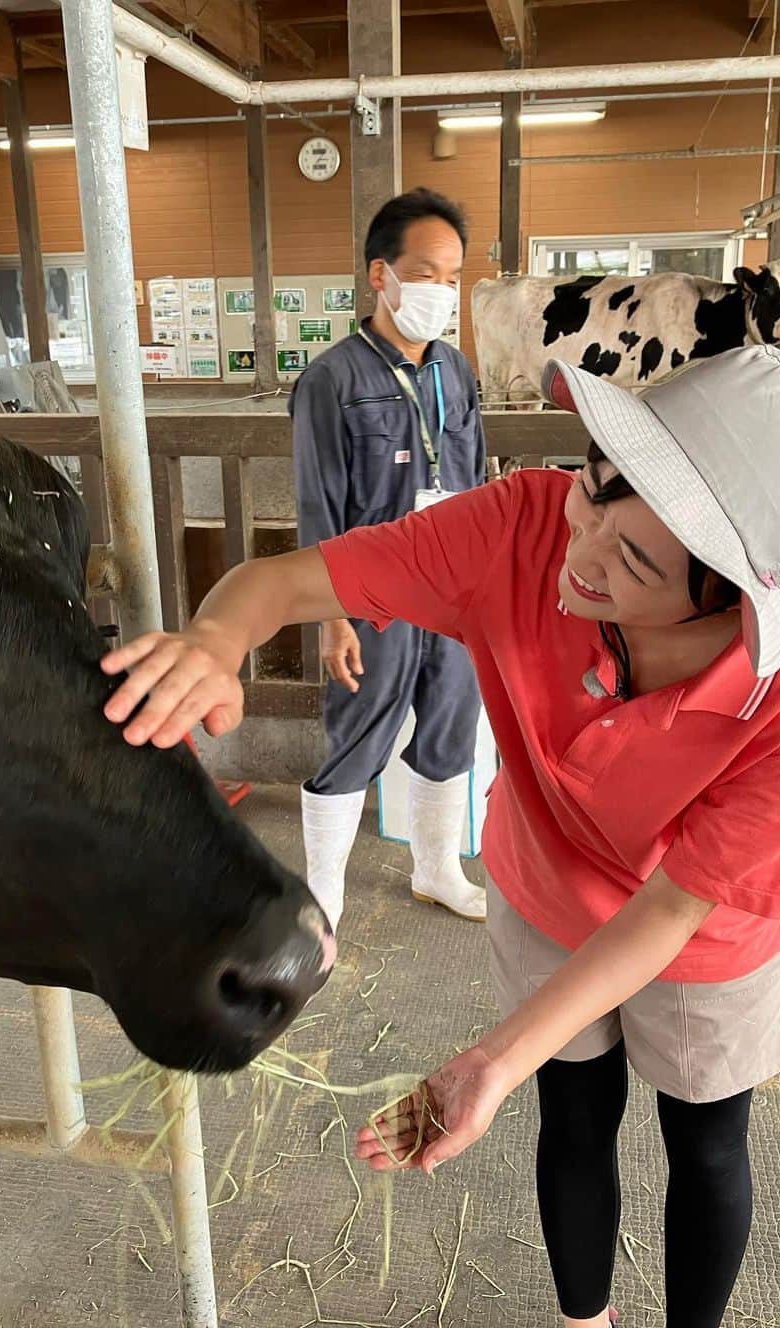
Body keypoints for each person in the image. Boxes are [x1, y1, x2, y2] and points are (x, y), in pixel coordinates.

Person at [102, 343, 780, 1328]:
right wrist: (211, 645)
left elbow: (677, 906)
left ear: (734, 595)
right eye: (596, 490)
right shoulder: (521, 526)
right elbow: (281, 583)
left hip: (701, 938)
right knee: (572, 1106)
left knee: (709, 1142)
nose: (583, 546)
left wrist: (491, 1059)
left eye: (636, 559)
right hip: (548, 878)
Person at [288, 187, 488, 928]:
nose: (441, 291)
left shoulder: (455, 372)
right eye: (426, 272)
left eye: (452, 277)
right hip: (371, 591)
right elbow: (318, 507)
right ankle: (323, 892)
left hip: (456, 589)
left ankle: (438, 868)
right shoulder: (332, 379)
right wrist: (330, 616)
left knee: (451, 724)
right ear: (382, 275)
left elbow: (476, 483)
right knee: (359, 729)